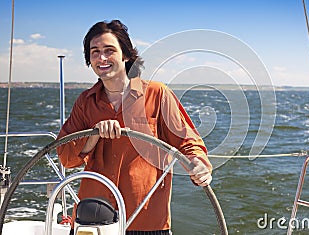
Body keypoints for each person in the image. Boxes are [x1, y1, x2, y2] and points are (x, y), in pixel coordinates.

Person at [56, 20, 212, 235]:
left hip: (146, 219)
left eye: (109, 50)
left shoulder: (158, 94)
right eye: (95, 52)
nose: (101, 58)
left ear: (126, 55)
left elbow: (187, 142)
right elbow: (66, 158)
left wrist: (199, 164)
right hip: (93, 218)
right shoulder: (85, 102)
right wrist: (94, 134)